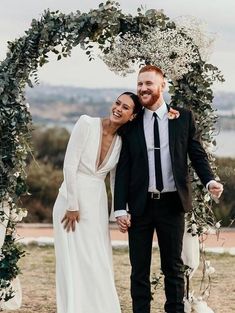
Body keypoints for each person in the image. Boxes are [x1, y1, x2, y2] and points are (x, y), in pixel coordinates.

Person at [114, 65, 223, 313]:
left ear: (162, 86)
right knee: (138, 269)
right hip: (140, 205)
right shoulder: (131, 123)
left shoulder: (183, 118)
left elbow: (196, 155)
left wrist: (210, 181)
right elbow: (124, 169)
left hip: (172, 204)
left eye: (148, 83)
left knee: (173, 267)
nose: (143, 88)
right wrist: (120, 208)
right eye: (140, 83)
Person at [53, 92, 142, 313]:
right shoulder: (86, 123)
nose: (118, 109)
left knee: (96, 258)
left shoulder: (122, 142)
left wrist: (118, 212)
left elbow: (114, 179)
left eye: (125, 107)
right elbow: (69, 165)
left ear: (132, 116)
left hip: (97, 202)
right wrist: (72, 205)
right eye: (117, 103)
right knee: (70, 260)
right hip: (69, 201)